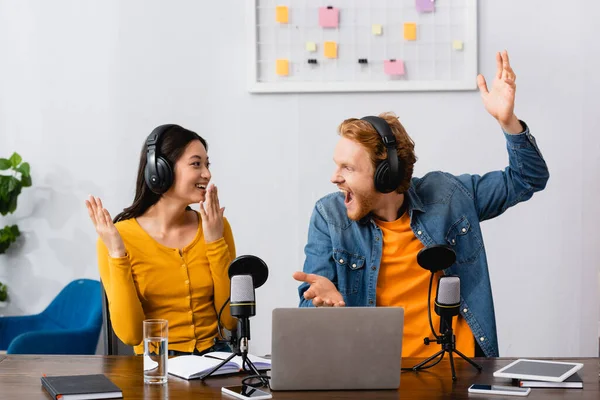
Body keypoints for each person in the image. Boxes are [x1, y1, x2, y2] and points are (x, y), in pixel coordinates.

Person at [293, 51, 549, 358]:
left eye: (348, 168)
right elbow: (312, 302)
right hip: (378, 373)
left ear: (387, 175)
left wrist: (508, 122)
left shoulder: (448, 196)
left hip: (459, 371)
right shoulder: (329, 216)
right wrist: (323, 305)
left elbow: (528, 178)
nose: (335, 178)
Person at [85, 124, 236, 356]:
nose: (207, 174)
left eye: (207, 164)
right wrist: (117, 253)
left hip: (215, 361)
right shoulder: (118, 237)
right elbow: (130, 335)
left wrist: (215, 241)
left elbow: (230, 320)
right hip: (157, 366)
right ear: (160, 170)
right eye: (196, 164)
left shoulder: (216, 226)